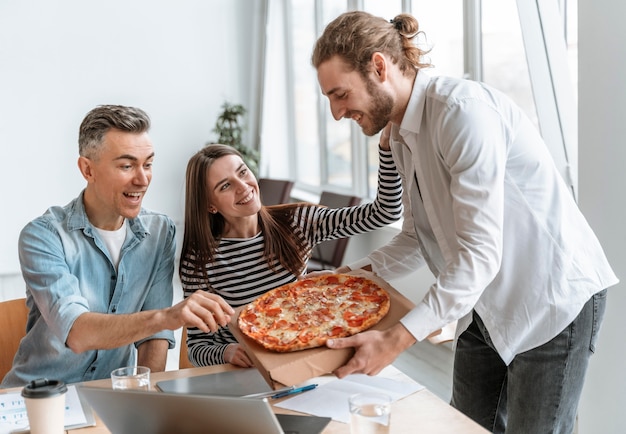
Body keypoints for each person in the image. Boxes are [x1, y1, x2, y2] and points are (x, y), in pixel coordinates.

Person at [311, 11, 618, 434]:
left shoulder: (462, 113)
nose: (336, 112)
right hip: (485, 303)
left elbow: (477, 255)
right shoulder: (400, 137)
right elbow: (418, 237)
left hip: (552, 300)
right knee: (462, 425)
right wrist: (347, 278)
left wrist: (396, 339)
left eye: (339, 94)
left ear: (379, 67)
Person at [1, 105, 234, 388]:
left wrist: (147, 400)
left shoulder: (160, 233)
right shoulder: (43, 236)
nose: (142, 179)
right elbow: (78, 332)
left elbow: (154, 337)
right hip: (39, 399)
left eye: (148, 164)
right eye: (126, 166)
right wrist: (166, 317)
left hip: (110, 398)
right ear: (87, 169)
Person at [179, 143, 403, 367]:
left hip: (302, 358)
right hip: (244, 372)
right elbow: (197, 347)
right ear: (210, 206)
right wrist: (227, 352)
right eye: (226, 185)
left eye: (243, 172)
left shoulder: (298, 222)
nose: (243, 186)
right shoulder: (199, 261)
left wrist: (386, 148)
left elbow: (386, 211)